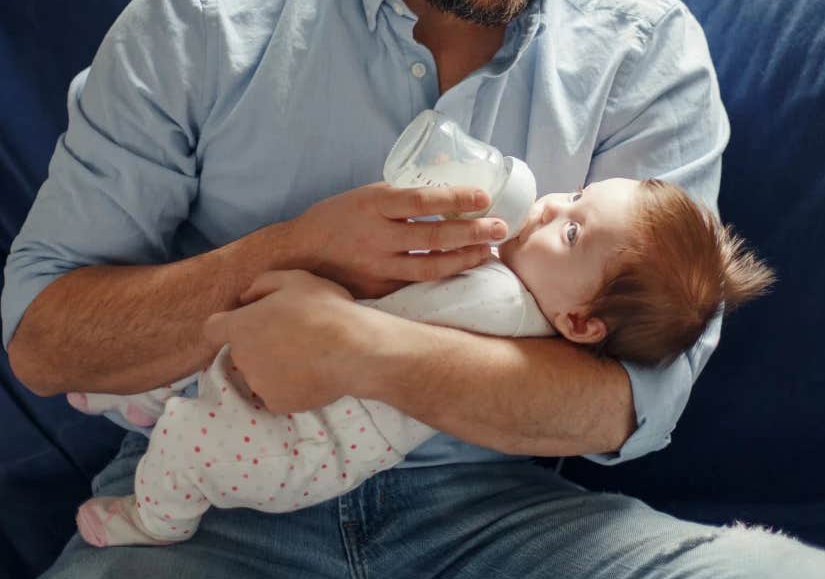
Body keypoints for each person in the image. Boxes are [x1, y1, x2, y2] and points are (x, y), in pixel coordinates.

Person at [4, 0, 825, 579]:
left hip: (500, 522)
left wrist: (365, 349)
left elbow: (628, 404)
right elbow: (43, 339)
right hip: (207, 503)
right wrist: (286, 259)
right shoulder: (208, 15)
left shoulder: (644, 55)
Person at [68, 176, 774, 548]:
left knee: (196, 440)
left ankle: (158, 517)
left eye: (569, 228)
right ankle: (148, 397)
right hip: (297, 395)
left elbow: (370, 320)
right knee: (227, 346)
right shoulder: (516, 287)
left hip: (306, 447)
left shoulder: (500, 307)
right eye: (580, 196)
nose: (555, 200)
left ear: (580, 322)